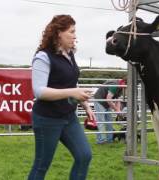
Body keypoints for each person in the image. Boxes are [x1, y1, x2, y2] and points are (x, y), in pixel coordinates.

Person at [28, 15, 95, 180]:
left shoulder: (69, 54)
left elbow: (72, 82)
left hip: (69, 117)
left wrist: (85, 105)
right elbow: (39, 91)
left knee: (84, 155)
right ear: (58, 33)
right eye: (71, 32)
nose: (75, 36)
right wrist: (72, 92)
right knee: (41, 166)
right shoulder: (43, 57)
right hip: (47, 119)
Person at [93, 78, 126, 144]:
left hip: (107, 103)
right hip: (100, 100)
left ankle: (109, 140)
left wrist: (118, 110)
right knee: (101, 121)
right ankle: (101, 141)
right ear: (124, 83)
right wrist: (116, 109)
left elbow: (118, 99)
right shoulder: (115, 85)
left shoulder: (121, 87)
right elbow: (108, 99)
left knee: (109, 121)